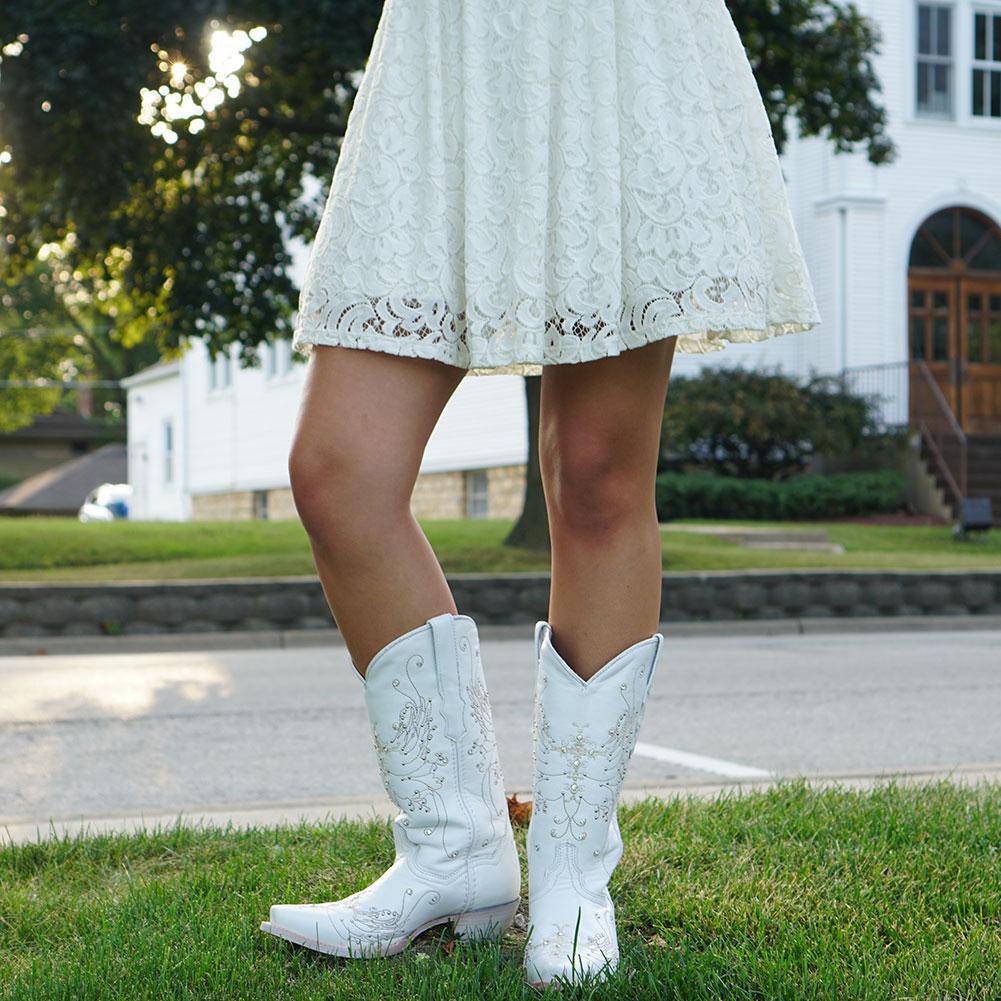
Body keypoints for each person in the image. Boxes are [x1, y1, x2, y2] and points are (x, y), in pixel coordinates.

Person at [260, 0, 820, 987]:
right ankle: (453, 851)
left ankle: (569, 873)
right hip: (449, 56)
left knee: (596, 472)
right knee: (339, 472)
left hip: (612, 46)